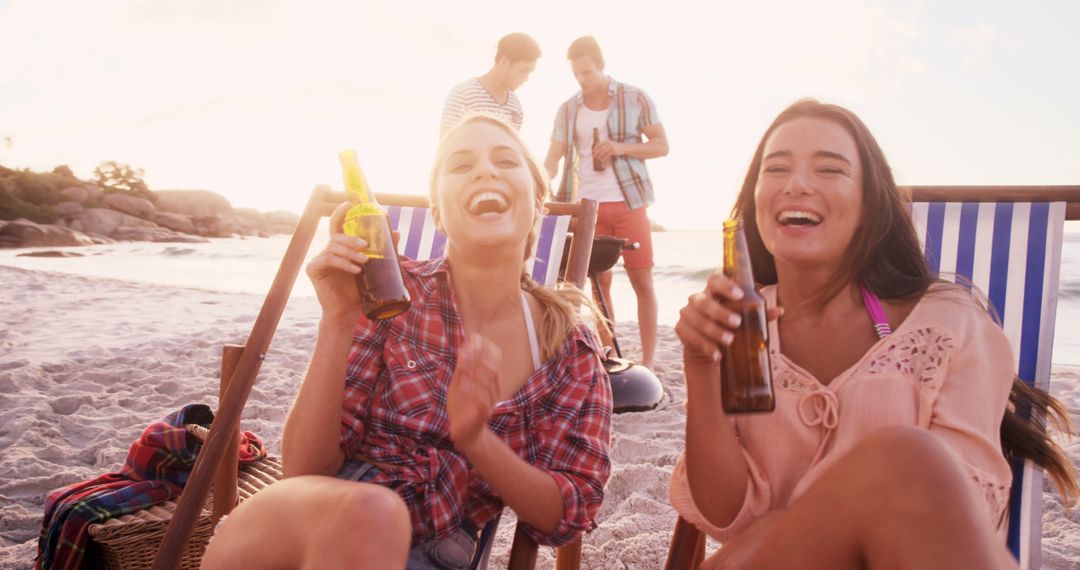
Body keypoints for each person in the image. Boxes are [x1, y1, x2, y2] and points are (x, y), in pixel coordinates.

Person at [668, 99, 1077, 569]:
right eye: (775, 168)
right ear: (755, 199)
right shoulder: (737, 326)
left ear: (869, 203)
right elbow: (723, 515)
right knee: (904, 458)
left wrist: (805, 519)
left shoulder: (950, 325)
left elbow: (963, 518)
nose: (797, 184)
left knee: (907, 461)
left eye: (829, 169)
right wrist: (700, 363)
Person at [202, 115, 613, 570]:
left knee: (377, 520)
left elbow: (568, 514)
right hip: (301, 527)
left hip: (430, 553)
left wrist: (477, 439)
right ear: (438, 212)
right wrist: (339, 320)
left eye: (504, 160)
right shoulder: (390, 294)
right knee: (373, 511)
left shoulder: (566, 347)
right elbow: (305, 470)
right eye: (460, 165)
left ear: (538, 202)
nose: (484, 171)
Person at [544, 35, 668, 370]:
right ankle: (609, 354)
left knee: (643, 281)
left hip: (629, 203)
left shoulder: (634, 97)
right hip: (587, 208)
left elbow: (660, 145)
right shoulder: (568, 109)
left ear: (601, 65)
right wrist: (542, 176)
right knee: (599, 288)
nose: (582, 80)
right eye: (576, 75)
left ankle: (649, 358)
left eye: (587, 72)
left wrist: (619, 147)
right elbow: (553, 157)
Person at [440, 33, 540, 135]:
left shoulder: (515, 106)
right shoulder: (463, 94)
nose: (526, 78)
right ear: (504, 61)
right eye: (523, 71)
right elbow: (446, 145)